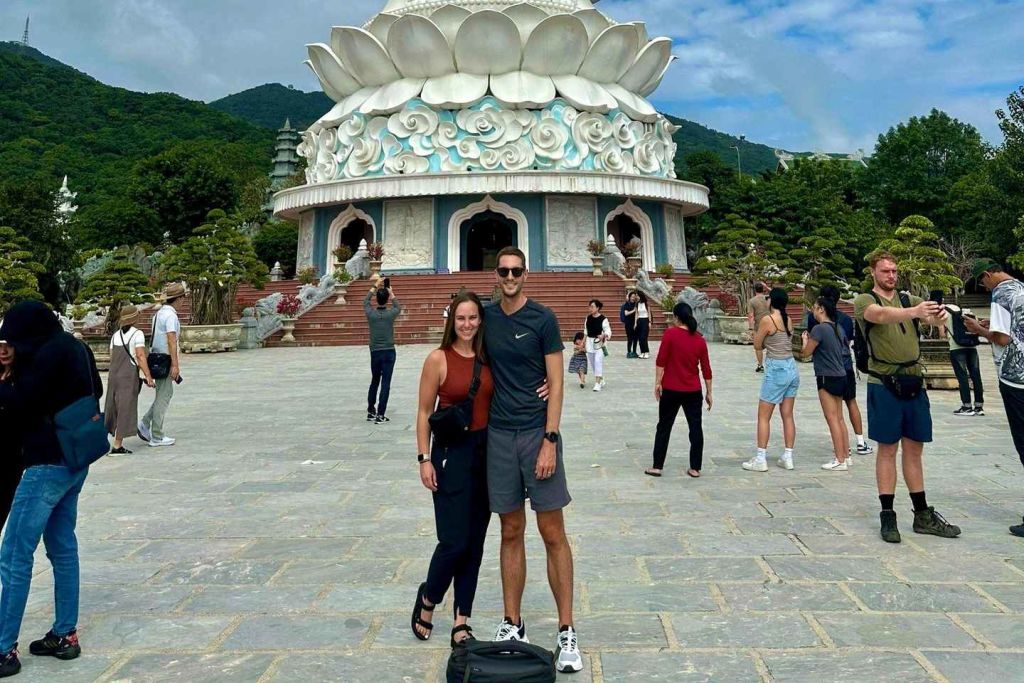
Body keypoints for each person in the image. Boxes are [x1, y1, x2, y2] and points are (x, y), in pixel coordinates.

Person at [483, 247, 582, 674]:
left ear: (526, 274)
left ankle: (566, 629)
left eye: (516, 271)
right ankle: (513, 622)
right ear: (496, 273)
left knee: (551, 530)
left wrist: (550, 439)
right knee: (510, 529)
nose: (510, 277)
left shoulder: (543, 319)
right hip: (499, 435)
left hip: (536, 433)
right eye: (504, 271)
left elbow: (556, 383)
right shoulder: (485, 318)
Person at [0, 301, 104, 678]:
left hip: (44, 464)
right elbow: (96, 388)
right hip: (75, 459)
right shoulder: (76, 347)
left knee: (14, 554)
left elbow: (21, 407)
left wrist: (5, 381)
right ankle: (65, 635)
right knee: (62, 548)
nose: (8, 344)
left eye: (11, 338)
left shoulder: (43, 356)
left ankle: (3, 649)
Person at [854, 251, 960, 543]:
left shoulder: (907, 299)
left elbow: (930, 317)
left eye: (894, 271)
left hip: (914, 381)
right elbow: (879, 316)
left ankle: (922, 513)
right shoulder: (865, 300)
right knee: (887, 449)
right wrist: (915, 312)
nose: (891, 275)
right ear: (873, 272)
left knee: (914, 448)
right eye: (885, 271)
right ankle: (888, 514)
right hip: (884, 383)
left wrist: (938, 314)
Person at [412, 292, 494, 647]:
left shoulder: (489, 357)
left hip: (486, 452)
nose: (467, 324)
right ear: (452, 321)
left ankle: (462, 619)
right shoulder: (438, 359)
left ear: (480, 320)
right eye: (461, 318)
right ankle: (429, 597)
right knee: (453, 541)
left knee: (474, 542)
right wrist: (423, 458)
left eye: (473, 318)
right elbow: (423, 411)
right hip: (450, 454)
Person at [964, 259, 1024, 538]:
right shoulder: (1020, 288)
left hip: (1015, 377)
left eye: (982, 282)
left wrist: (979, 330)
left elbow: (1001, 338)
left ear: (989, 275)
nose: (984, 287)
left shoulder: (1000, 294)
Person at [647, 302, 713, 478]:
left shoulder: (670, 334)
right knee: (695, 427)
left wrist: (657, 383)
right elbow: (706, 369)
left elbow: (661, 360)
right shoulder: (699, 339)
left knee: (664, 426)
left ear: (676, 317)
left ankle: (657, 466)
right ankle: (695, 467)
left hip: (671, 388)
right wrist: (709, 392)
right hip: (693, 390)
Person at [807, 286, 873, 461]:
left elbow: (810, 347)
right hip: (845, 368)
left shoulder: (817, 323)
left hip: (828, 371)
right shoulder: (844, 321)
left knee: (834, 417)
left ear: (822, 306)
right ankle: (858, 443)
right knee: (849, 405)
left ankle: (842, 454)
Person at [745, 288, 799, 472]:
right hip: (791, 367)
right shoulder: (788, 319)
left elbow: (757, 344)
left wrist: (756, 335)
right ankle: (788, 456)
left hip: (776, 368)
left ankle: (760, 458)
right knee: (787, 415)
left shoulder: (768, 320)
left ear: (772, 301)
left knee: (763, 416)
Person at [801, 297, 851, 472]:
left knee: (832, 419)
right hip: (841, 374)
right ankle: (846, 455)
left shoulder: (819, 329)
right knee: (839, 418)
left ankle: (839, 459)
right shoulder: (838, 327)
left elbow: (806, 353)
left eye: (815, 307)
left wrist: (805, 341)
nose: (813, 311)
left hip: (826, 376)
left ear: (821, 309)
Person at [105, 306, 154, 455]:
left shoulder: (116, 335)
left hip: (114, 375)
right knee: (125, 408)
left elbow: (112, 356)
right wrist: (148, 376)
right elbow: (140, 356)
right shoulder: (137, 334)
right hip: (128, 376)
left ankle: (105, 439)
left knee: (112, 408)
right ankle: (117, 445)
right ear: (134, 318)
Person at [139, 283, 183, 448]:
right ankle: (156, 434)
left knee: (163, 394)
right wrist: (175, 364)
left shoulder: (159, 314)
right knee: (164, 396)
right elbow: (171, 340)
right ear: (178, 299)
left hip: (157, 357)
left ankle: (145, 423)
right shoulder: (171, 316)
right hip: (165, 358)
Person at [364, 281, 402, 424]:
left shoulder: (371, 314)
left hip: (375, 351)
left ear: (377, 299)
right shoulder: (390, 314)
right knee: (385, 383)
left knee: (375, 380)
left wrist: (375, 286)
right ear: (386, 299)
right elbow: (398, 307)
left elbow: (365, 301)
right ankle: (381, 414)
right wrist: (391, 293)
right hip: (388, 351)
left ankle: (371, 410)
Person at [941, 297, 985, 417]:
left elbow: (941, 334)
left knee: (962, 377)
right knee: (976, 376)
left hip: (956, 348)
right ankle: (979, 406)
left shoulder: (945, 313)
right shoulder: (967, 313)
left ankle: (966, 406)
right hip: (972, 347)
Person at [0, 336, 22, 531]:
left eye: (9, 346)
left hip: (11, 455)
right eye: (0, 347)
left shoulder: (22, 378)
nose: (4, 351)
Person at [584, 299, 611, 391]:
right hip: (589, 342)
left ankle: (597, 383)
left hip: (599, 343)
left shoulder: (603, 319)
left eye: (592, 307)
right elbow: (585, 331)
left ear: (598, 308)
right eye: (590, 307)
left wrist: (604, 335)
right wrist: (583, 342)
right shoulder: (588, 318)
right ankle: (601, 378)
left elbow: (608, 330)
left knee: (598, 360)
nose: (590, 308)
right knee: (593, 362)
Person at [748, 283, 770, 372]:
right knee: (771, 345)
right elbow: (775, 292)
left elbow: (751, 316)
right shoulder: (768, 299)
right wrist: (767, 287)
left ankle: (760, 365)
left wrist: (751, 328)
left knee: (758, 347)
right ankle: (771, 364)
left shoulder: (752, 301)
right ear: (763, 289)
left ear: (754, 290)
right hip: (770, 324)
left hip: (759, 326)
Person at [620, 292, 638, 358]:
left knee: (635, 338)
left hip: (635, 323)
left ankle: (634, 351)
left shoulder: (637, 304)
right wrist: (634, 310)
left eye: (634, 297)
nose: (633, 298)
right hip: (628, 323)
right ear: (629, 297)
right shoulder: (626, 304)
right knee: (630, 338)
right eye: (632, 297)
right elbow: (626, 313)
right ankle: (629, 352)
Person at [635, 291, 651, 359]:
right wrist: (635, 323)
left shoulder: (646, 304)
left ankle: (646, 352)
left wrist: (649, 322)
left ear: (640, 296)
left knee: (643, 337)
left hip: (645, 320)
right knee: (640, 338)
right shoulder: (637, 304)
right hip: (639, 320)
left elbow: (649, 313)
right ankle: (642, 352)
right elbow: (636, 314)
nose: (636, 297)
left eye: (637, 295)